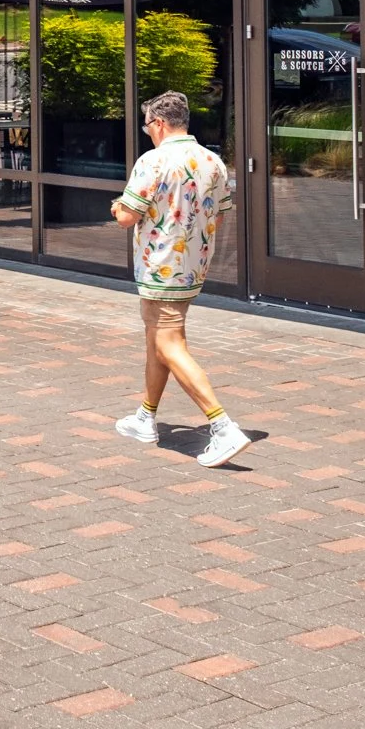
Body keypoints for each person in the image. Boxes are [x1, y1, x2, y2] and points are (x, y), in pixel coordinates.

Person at [111, 89, 248, 468]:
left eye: (147, 126)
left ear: (158, 123)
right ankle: (145, 416)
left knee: (168, 343)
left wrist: (118, 207)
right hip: (193, 264)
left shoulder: (153, 161)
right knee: (159, 338)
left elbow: (127, 215)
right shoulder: (213, 161)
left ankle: (222, 426)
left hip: (160, 265)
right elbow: (219, 214)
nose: (147, 132)